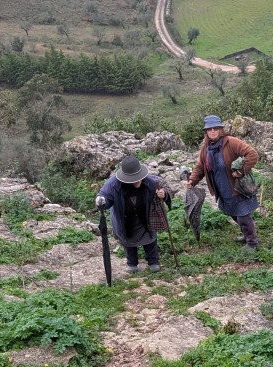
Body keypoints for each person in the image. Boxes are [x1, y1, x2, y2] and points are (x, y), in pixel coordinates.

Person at [187, 115, 259, 250]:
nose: (213, 131)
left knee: (243, 215)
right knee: (233, 212)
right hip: (222, 187)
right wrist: (192, 180)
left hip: (237, 186)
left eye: (215, 128)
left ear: (220, 129)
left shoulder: (231, 142)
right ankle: (246, 234)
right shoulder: (206, 147)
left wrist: (241, 171)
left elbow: (252, 154)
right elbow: (200, 166)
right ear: (206, 132)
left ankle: (252, 242)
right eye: (209, 129)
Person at [95, 155, 171, 273]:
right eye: (134, 179)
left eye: (139, 177)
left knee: (149, 238)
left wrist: (163, 194)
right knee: (128, 239)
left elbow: (163, 187)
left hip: (144, 217)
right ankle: (132, 263)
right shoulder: (114, 184)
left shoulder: (150, 181)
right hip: (125, 219)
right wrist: (101, 201)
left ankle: (153, 261)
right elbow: (105, 195)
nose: (137, 180)